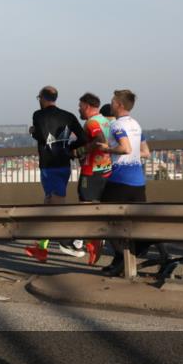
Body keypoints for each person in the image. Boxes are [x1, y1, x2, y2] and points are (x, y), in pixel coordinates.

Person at [99, 89, 158, 274]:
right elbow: (145, 152)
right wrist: (129, 153)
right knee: (132, 222)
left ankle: (126, 253)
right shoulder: (136, 125)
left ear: (119, 105)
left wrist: (107, 149)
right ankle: (122, 261)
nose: (110, 104)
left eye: (112, 101)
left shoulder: (116, 125)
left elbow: (125, 148)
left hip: (120, 179)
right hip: (138, 182)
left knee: (104, 218)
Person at [25, 86, 87, 261]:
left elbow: (42, 136)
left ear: (42, 98)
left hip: (48, 164)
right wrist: (69, 148)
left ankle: (68, 242)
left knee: (55, 204)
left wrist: (33, 132)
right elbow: (83, 138)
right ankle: (41, 247)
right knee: (49, 202)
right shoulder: (69, 116)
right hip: (64, 164)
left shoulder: (38, 115)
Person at [75, 93, 113, 264]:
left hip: (91, 171)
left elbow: (99, 140)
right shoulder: (106, 121)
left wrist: (80, 151)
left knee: (85, 208)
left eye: (80, 106)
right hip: (106, 170)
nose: (79, 109)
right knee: (100, 207)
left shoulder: (91, 122)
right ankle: (95, 239)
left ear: (87, 106)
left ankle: (91, 240)